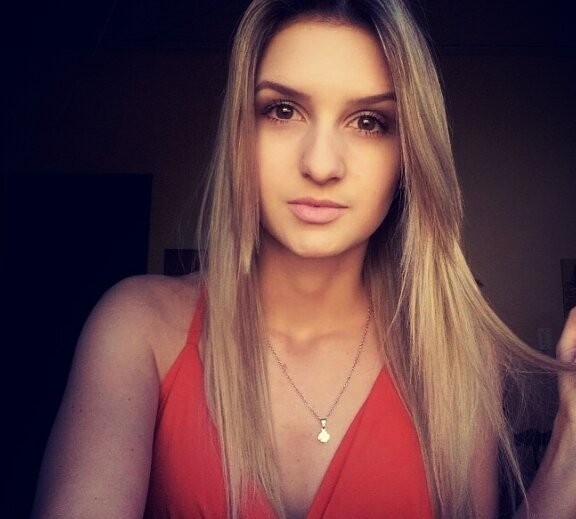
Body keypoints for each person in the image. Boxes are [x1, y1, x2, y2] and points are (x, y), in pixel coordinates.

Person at [31, 0, 576, 518]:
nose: (320, 164)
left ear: (409, 156)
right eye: (283, 110)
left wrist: (570, 450)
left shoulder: (457, 355)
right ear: (240, 133)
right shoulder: (139, 327)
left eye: (369, 121)